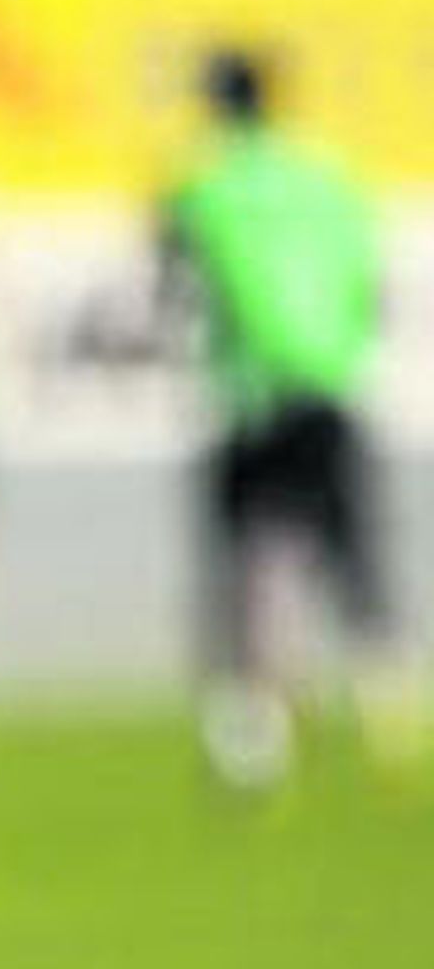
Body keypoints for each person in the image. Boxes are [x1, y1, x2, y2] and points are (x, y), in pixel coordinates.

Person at [160, 48, 405, 788]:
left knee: (252, 555)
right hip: (328, 377)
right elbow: (368, 281)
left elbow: (175, 271)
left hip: (252, 390)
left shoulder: (207, 181)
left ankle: (259, 720)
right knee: (348, 542)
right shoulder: (324, 177)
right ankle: (384, 698)